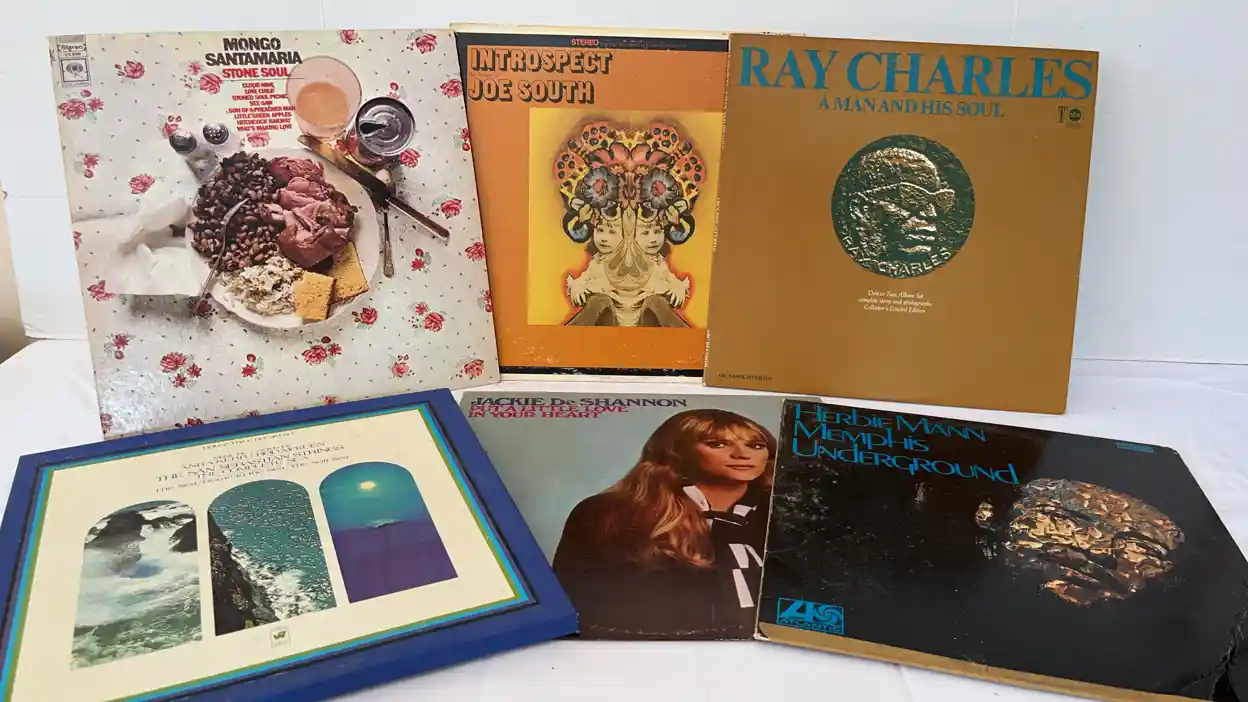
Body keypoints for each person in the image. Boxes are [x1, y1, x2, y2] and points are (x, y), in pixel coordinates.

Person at [551, 408, 776, 639]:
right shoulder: (608, 513)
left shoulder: (782, 513)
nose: (742, 454)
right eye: (717, 444)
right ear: (677, 451)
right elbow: (571, 606)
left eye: (755, 445)